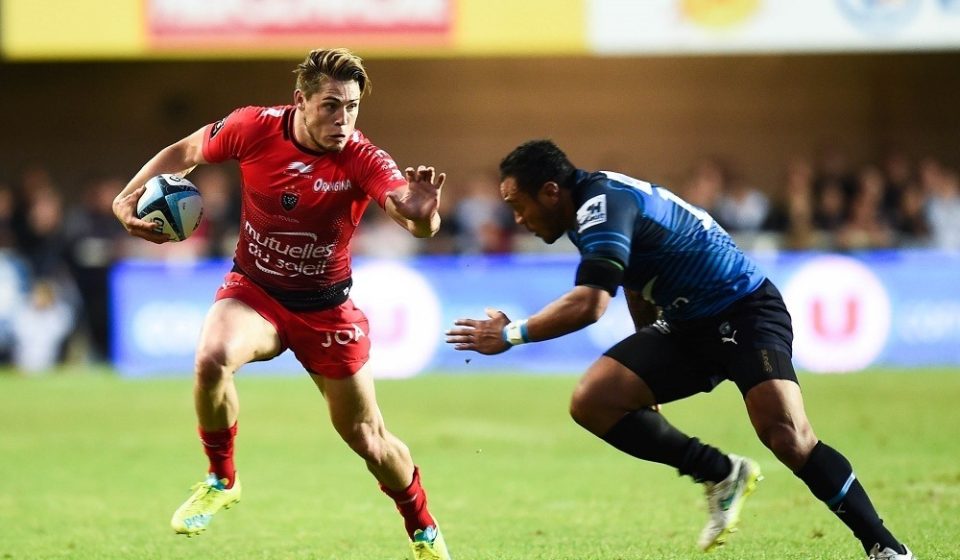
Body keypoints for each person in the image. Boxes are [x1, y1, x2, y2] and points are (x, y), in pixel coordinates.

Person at [445, 139, 915, 560]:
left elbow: (589, 305)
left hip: (744, 307)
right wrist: (645, 356)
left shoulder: (602, 206)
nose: (517, 219)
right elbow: (634, 282)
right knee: (595, 399)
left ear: (549, 190)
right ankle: (720, 472)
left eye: (517, 205)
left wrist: (510, 335)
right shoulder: (584, 206)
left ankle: (886, 547)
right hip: (688, 323)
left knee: (788, 437)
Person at [113, 48, 451, 560]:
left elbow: (410, 214)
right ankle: (221, 479)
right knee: (211, 358)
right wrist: (126, 198)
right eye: (331, 105)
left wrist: (426, 217)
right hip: (256, 292)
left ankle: (423, 528)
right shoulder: (254, 127)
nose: (343, 120)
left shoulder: (362, 157)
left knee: (369, 439)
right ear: (301, 101)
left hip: (326, 310)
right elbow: (185, 151)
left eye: (353, 107)